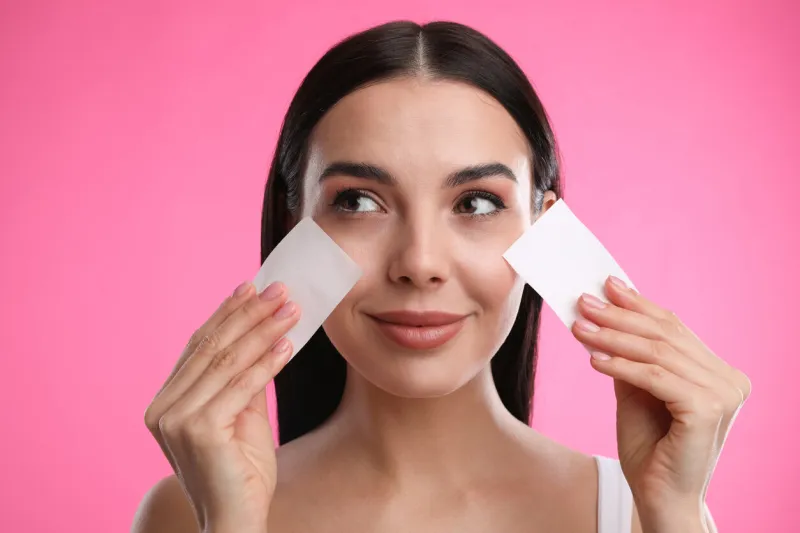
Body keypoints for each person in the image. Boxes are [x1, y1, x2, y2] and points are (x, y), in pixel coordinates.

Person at [133, 20, 750, 533]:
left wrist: (674, 514)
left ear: (546, 233)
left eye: (476, 203)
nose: (420, 263)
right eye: (358, 202)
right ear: (294, 228)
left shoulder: (644, 512)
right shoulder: (188, 515)